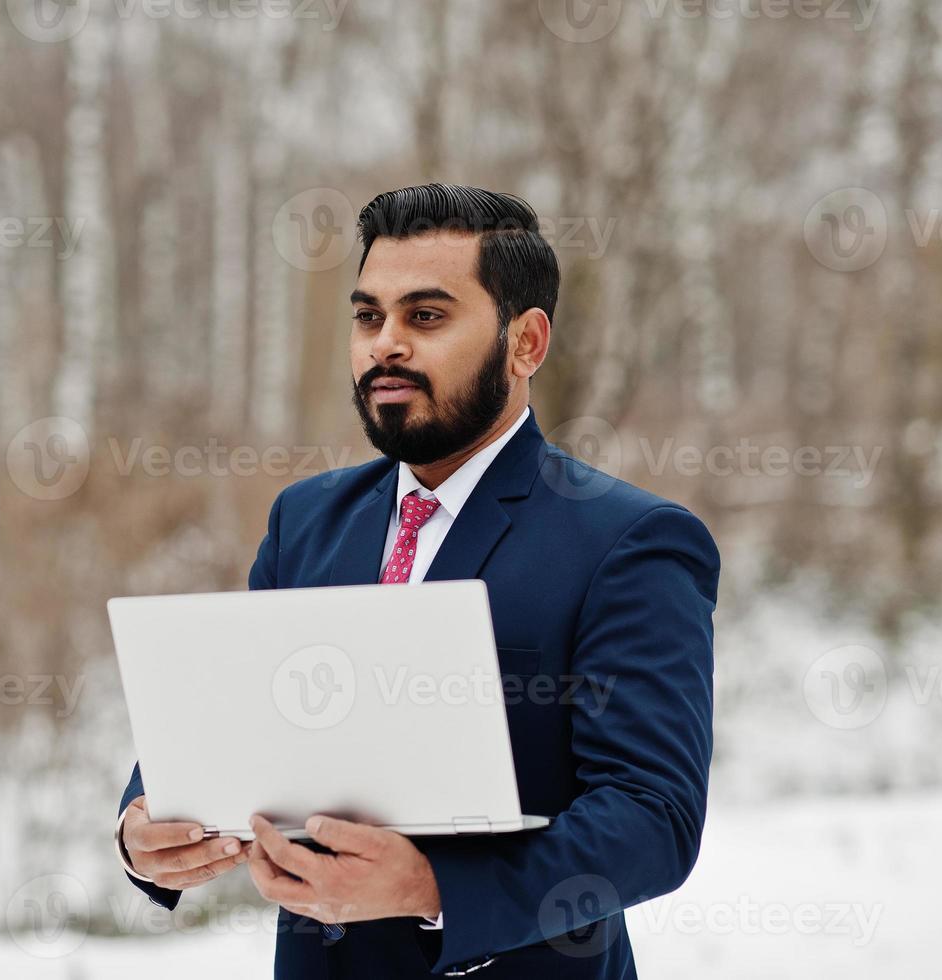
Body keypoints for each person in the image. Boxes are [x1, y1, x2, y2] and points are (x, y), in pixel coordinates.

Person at [115, 182, 719, 978]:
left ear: (525, 343)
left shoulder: (628, 540)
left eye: (425, 317)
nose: (384, 345)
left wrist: (436, 885)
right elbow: (228, 719)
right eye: (368, 317)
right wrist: (144, 825)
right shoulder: (306, 520)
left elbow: (652, 819)